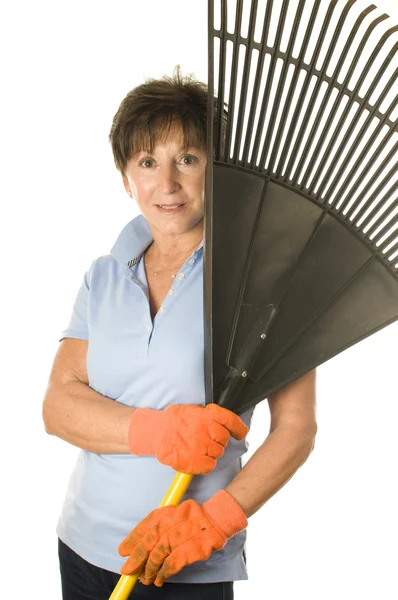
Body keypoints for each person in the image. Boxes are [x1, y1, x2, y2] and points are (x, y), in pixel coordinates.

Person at [42, 67, 318, 600]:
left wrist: (215, 521)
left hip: (185, 561)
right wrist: (157, 432)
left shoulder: (260, 280)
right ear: (127, 178)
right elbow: (58, 406)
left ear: (215, 171)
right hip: (80, 545)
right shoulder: (104, 273)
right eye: (148, 162)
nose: (167, 184)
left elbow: (296, 427)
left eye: (187, 160)